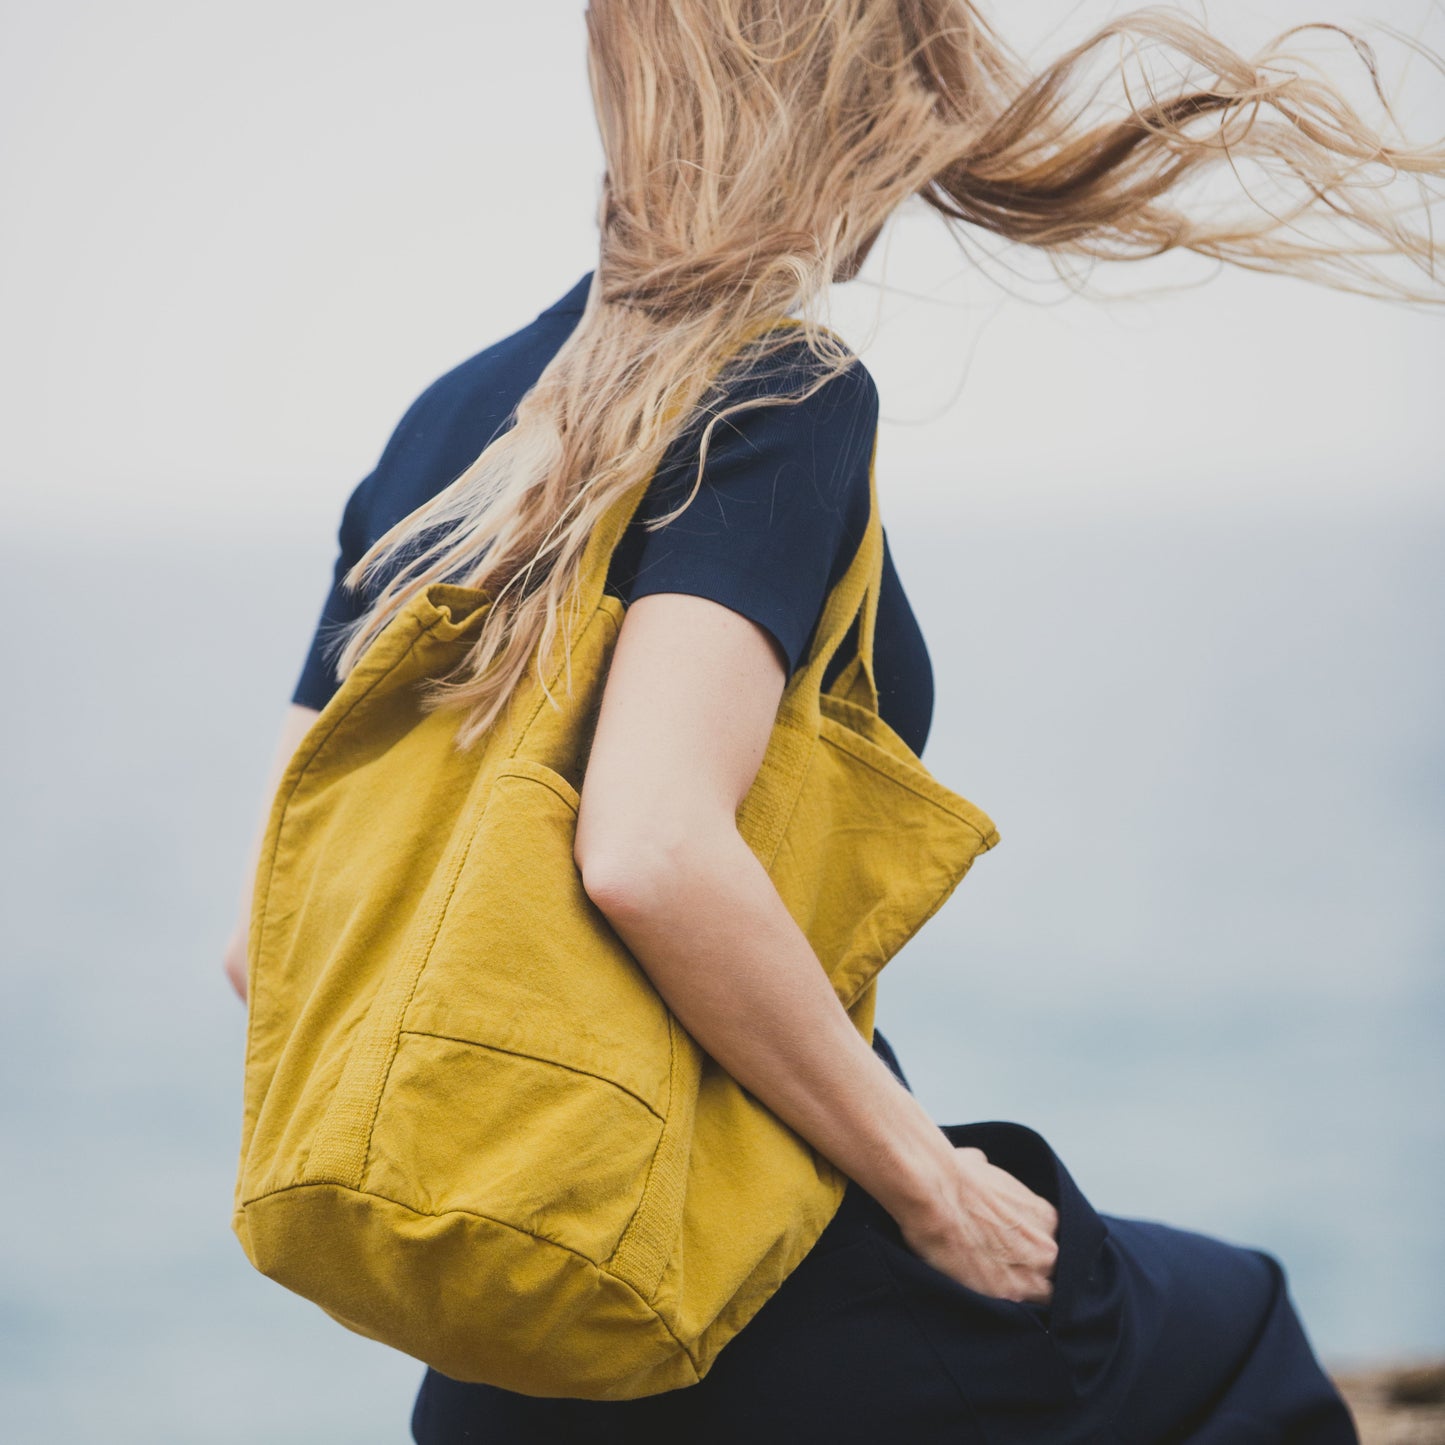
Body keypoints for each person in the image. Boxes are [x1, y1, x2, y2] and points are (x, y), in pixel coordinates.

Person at [224, 2, 1443, 1439]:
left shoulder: (446, 427)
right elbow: (651, 845)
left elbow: (264, 947)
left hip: (505, 1372)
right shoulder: (777, 390)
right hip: (746, 1297)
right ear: (855, 110)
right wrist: (933, 1187)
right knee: (1234, 1335)